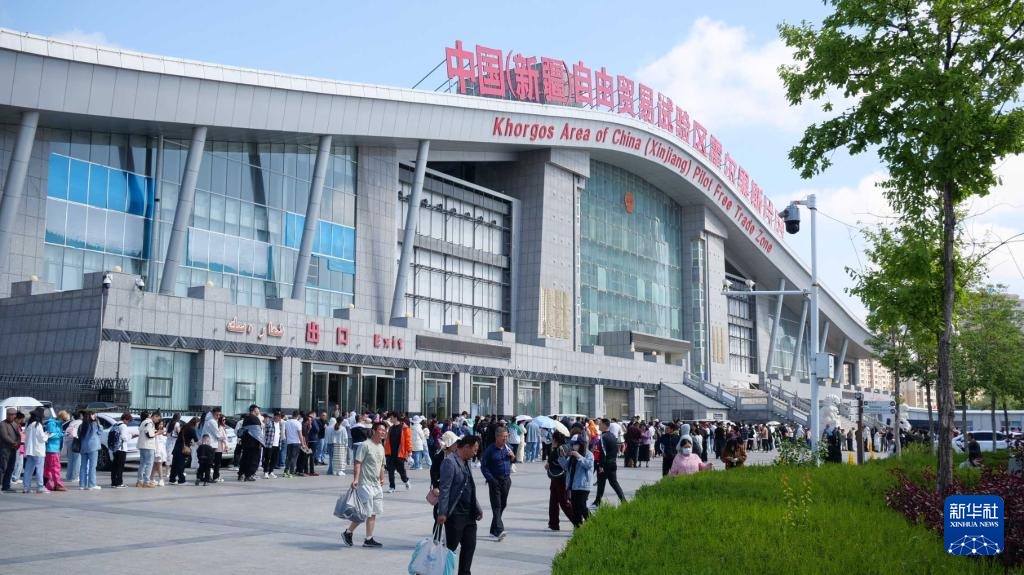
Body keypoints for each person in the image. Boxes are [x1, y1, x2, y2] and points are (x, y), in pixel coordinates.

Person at [436, 434, 483, 575]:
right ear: (466, 447)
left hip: (469, 515)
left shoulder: (466, 462)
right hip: (455, 515)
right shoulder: (449, 462)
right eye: (474, 450)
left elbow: (469, 487)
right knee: (449, 549)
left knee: (469, 547)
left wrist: (478, 508)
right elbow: (445, 489)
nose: (475, 453)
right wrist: (442, 512)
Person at [342, 421, 387, 548]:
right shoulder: (365, 445)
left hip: (376, 484)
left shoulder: (381, 447)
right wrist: (356, 479)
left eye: (384, 430)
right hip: (365, 483)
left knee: (373, 512)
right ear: (374, 431)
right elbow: (358, 463)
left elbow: (382, 465)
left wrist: (382, 478)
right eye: (380, 429)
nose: (383, 432)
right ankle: (348, 532)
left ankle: (368, 539)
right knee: (364, 512)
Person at [479, 426, 513, 541]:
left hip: (506, 480)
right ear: (497, 437)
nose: (505, 439)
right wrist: (491, 479)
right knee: (496, 505)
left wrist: (512, 457)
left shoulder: (508, 447)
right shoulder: (490, 450)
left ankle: (493, 530)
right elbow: (483, 467)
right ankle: (499, 529)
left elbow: (511, 461)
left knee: (503, 504)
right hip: (495, 481)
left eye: (507, 436)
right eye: (503, 437)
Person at [592, 419, 626, 509]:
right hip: (613, 463)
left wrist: (601, 465)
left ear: (604, 425)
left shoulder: (603, 437)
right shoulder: (612, 435)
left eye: (600, 424)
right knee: (613, 483)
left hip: (605, 464)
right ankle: (623, 500)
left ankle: (597, 502)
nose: (599, 425)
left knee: (601, 483)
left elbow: (603, 452)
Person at [561, 435, 594, 527]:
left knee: (582, 506)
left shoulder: (588, 454)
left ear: (581, 444)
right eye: (572, 444)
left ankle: (593, 523)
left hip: (583, 485)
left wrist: (579, 456)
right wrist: (562, 457)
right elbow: (565, 467)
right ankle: (578, 527)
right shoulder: (572, 455)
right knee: (575, 508)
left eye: (576, 444)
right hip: (573, 485)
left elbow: (589, 465)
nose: (574, 446)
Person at [545, 432, 575, 531]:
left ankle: (578, 522)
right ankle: (553, 524)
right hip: (556, 479)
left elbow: (562, 464)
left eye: (552, 439)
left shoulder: (560, 449)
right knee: (553, 501)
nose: (551, 441)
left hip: (561, 479)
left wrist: (550, 465)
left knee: (563, 502)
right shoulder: (561, 448)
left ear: (555, 440)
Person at [22, 407, 50, 494]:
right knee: (39, 469)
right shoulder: (38, 425)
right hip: (38, 451)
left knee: (28, 469)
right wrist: (47, 435)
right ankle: (40, 486)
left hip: (30, 450)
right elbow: (42, 438)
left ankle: (26, 487)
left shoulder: (28, 425)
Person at [383, 413, 412, 492]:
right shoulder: (391, 428)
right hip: (390, 453)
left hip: (400, 453)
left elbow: (408, 441)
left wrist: (409, 451)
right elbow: (387, 440)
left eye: (391, 418)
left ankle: (406, 480)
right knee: (390, 471)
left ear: (396, 418)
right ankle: (392, 487)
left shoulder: (405, 428)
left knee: (401, 471)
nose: (390, 419)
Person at [238, 405, 265, 481]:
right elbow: (258, 433)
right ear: (254, 410)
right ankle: (249, 475)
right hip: (254, 443)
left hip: (246, 442)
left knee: (245, 458)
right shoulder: (255, 418)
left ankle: (241, 474)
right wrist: (261, 442)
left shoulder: (246, 418)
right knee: (254, 459)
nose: (259, 411)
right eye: (258, 409)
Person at [77, 410, 102, 490]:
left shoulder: (81, 425)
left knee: (83, 466)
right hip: (93, 447)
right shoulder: (94, 424)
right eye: (93, 414)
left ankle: (82, 484)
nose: (95, 416)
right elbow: (100, 432)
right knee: (92, 466)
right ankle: (91, 484)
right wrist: (97, 422)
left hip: (83, 447)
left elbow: (79, 435)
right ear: (91, 416)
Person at [169, 415, 195, 485]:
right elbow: (196, 440)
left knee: (174, 464)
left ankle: (172, 479)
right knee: (181, 464)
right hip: (182, 449)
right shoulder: (192, 429)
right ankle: (181, 480)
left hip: (176, 447)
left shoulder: (184, 427)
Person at [43, 410, 65, 492]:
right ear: (61, 418)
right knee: (55, 467)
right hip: (52, 449)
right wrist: (62, 434)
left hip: (52, 448)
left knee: (48, 468)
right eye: (64, 420)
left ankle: (47, 484)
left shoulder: (55, 423)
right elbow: (50, 435)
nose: (64, 422)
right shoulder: (52, 424)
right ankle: (57, 485)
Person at [136, 410, 159, 487]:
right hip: (148, 446)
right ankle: (146, 481)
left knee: (142, 463)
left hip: (142, 445)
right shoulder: (149, 423)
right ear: (154, 416)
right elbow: (149, 435)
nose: (158, 420)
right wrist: (158, 433)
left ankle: (139, 481)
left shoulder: (143, 422)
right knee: (149, 464)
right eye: (158, 418)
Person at [1, 407, 20, 492]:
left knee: (10, 468)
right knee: (3, 467)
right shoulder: (2, 424)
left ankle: (6, 485)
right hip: (5, 449)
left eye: (12, 415)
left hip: (13, 449)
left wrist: (18, 442)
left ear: (15, 415)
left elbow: (18, 435)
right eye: (9, 415)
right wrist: (13, 443)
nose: (10, 416)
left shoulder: (15, 424)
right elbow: (4, 436)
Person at [262, 410, 283, 479]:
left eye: (280, 416)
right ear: (274, 416)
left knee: (274, 459)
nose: (279, 418)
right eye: (278, 416)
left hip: (277, 444)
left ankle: (271, 471)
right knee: (267, 459)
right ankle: (265, 472)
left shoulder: (280, 424)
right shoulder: (269, 423)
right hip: (269, 444)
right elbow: (264, 432)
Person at [284, 410, 304, 477]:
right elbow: (300, 434)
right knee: (294, 458)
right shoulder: (298, 423)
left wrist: (288, 439)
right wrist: (303, 444)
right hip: (296, 442)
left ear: (292, 415)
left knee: (288, 457)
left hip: (289, 442)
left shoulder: (287, 422)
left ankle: (286, 471)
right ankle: (291, 472)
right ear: (298, 416)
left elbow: (285, 432)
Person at [63, 411, 81, 484]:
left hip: (69, 442)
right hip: (76, 442)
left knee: (70, 460)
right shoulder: (80, 422)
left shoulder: (71, 423)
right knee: (77, 459)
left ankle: (69, 476)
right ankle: (75, 477)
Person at [152, 420, 167, 486]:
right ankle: (161, 479)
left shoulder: (163, 431)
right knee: (159, 464)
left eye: (162, 424)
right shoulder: (155, 431)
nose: (161, 425)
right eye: (160, 424)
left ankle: (151, 478)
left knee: (155, 465)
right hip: (157, 450)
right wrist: (158, 433)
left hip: (161, 450)